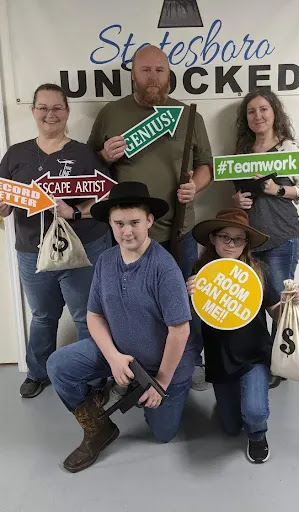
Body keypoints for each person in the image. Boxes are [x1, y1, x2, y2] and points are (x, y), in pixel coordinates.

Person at [46, 181, 197, 473]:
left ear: (149, 221)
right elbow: (94, 316)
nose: (127, 231)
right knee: (59, 365)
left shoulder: (164, 268)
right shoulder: (105, 261)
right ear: (110, 224)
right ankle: (98, 427)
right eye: (119, 224)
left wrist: (161, 382)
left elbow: (180, 331)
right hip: (119, 353)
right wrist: (113, 357)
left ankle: (165, 390)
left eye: (134, 223)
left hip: (161, 367)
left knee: (163, 434)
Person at [88, 44, 213, 391]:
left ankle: (190, 362)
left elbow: (207, 166)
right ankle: (128, 365)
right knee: (126, 305)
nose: (153, 77)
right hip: (128, 235)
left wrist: (196, 187)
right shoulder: (111, 113)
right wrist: (104, 155)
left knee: (187, 301)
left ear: (169, 74)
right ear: (133, 74)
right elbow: (90, 165)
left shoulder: (189, 115)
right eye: (146, 70)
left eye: (160, 70)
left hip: (179, 231)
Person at [0, 83, 111, 398]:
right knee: (43, 316)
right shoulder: (16, 154)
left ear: (67, 111)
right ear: (33, 111)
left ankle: (95, 378)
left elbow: (105, 198)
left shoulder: (83, 153)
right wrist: (2, 208)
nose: (50, 114)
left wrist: (74, 211)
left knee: (87, 317)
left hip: (83, 247)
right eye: (43, 108)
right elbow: (3, 199)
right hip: (32, 249)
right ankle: (38, 372)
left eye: (57, 107)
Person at [186, 208, 299, 463]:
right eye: (225, 237)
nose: (231, 244)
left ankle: (258, 435)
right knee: (230, 428)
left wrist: (289, 305)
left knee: (255, 413)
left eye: (238, 239)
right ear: (213, 239)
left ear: (246, 243)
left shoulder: (258, 271)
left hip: (254, 355)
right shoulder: (200, 271)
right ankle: (235, 400)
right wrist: (188, 295)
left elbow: (275, 312)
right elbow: (192, 319)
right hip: (220, 358)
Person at [232, 89, 299, 388]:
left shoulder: (288, 149)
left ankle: (283, 363)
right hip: (251, 240)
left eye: (263, 109)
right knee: (255, 303)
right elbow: (238, 193)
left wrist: (278, 189)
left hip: (282, 236)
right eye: (251, 111)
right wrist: (237, 200)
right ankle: (264, 360)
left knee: (280, 305)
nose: (258, 116)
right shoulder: (242, 155)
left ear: (274, 113)